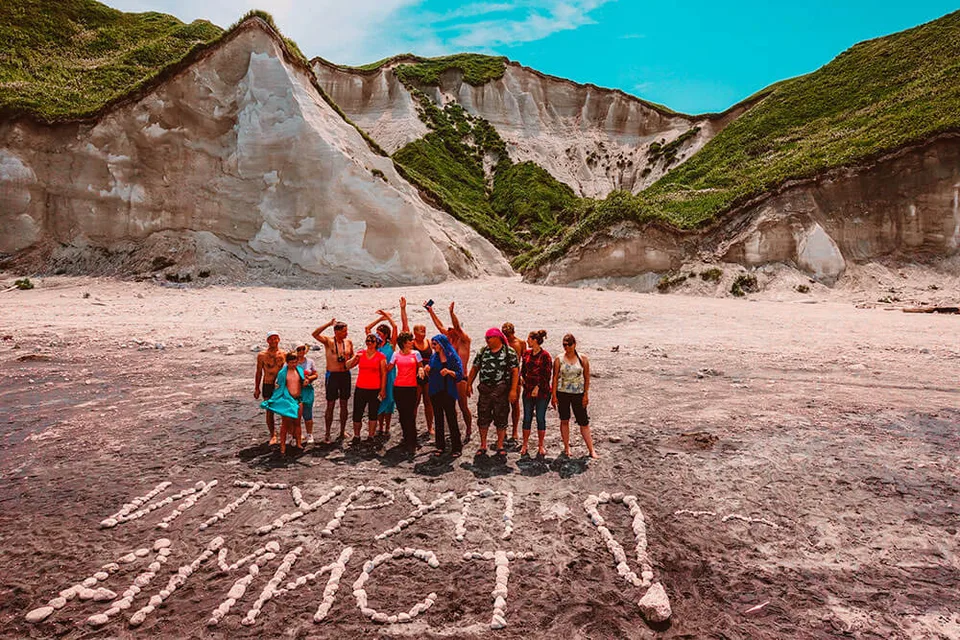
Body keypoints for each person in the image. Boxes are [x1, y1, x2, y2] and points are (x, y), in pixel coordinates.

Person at [466, 327, 519, 457]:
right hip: (485, 389)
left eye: (489, 338)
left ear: (497, 338)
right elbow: (475, 368)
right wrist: (469, 384)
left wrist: (513, 390)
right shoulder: (483, 351)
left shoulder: (509, 352)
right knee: (483, 417)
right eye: (486, 338)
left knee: (501, 417)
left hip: (501, 390)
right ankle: (483, 445)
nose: (487, 340)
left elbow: (515, 371)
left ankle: (500, 445)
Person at [425, 300, 473, 441]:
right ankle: (454, 430)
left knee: (463, 406)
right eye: (449, 330)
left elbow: (457, 327)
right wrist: (431, 311)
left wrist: (451, 313)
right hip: (447, 377)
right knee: (450, 406)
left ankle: (469, 428)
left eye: (452, 330)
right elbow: (439, 326)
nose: (449, 331)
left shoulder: (465, 341)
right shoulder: (448, 340)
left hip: (460, 377)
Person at [552, 333, 597, 459]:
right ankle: (566, 447)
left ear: (574, 344)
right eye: (564, 345)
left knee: (583, 421)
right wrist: (553, 395)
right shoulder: (559, 359)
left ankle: (591, 449)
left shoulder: (583, 359)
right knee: (564, 419)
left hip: (578, 393)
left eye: (569, 345)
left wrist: (586, 394)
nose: (567, 347)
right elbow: (555, 377)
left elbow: (587, 377)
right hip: (563, 393)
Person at [311, 319, 354, 443]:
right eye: (344, 331)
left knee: (344, 404)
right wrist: (328, 324)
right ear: (336, 332)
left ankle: (342, 431)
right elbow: (315, 334)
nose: (346, 333)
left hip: (345, 374)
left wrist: (350, 362)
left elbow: (352, 357)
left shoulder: (348, 342)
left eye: (346, 331)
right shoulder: (329, 341)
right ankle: (327, 433)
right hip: (332, 375)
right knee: (330, 404)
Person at [424, 334, 463, 457]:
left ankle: (456, 447)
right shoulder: (434, 357)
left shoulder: (452, 356)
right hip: (435, 390)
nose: (433, 346)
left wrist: (449, 372)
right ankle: (440, 446)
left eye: (435, 344)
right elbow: (431, 374)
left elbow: (460, 374)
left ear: (441, 344)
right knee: (438, 418)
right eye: (432, 344)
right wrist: (427, 370)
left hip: (448, 391)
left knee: (451, 418)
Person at [387, 331, 425, 453]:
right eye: (410, 340)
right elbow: (389, 368)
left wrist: (421, 370)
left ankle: (412, 440)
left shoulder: (416, 354)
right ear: (404, 342)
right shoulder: (395, 354)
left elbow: (420, 365)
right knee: (402, 414)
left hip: (411, 387)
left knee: (410, 413)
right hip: (398, 387)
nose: (412, 342)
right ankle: (406, 437)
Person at [401, 297, 434, 437]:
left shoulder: (429, 342)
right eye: (421, 331)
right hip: (414, 376)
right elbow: (405, 326)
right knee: (414, 403)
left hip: (428, 375)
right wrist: (403, 309)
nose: (423, 333)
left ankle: (430, 427)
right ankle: (411, 427)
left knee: (428, 402)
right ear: (415, 333)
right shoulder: (411, 343)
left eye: (424, 330)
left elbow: (435, 356)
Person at [346, 334, 387, 444]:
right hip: (361, 387)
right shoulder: (361, 354)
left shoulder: (381, 356)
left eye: (372, 341)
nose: (369, 343)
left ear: (376, 343)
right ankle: (356, 436)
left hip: (375, 388)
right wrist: (355, 357)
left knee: (373, 413)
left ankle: (371, 436)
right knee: (357, 413)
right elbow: (347, 366)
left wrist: (383, 389)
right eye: (367, 340)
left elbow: (384, 374)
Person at [260, 352, 303, 455]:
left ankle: (298, 443)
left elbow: (303, 382)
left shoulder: (299, 370)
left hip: (298, 399)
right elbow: (279, 388)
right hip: (287, 400)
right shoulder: (282, 373)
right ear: (287, 362)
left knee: (297, 423)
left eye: (295, 362)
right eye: (291, 362)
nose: (293, 364)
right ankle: (282, 446)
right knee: (285, 424)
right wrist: (273, 400)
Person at [520, 330, 552, 457]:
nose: (527, 341)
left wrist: (538, 387)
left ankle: (541, 445)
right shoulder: (526, 353)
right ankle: (525, 444)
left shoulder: (545, 356)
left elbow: (547, 375)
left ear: (535, 340)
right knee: (527, 417)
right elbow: (523, 369)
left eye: (529, 339)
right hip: (528, 389)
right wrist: (521, 378)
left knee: (540, 417)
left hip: (542, 391)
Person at [366, 310, 398, 436]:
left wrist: (387, 316)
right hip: (377, 375)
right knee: (378, 400)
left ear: (385, 334)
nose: (377, 335)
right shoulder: (375, 345)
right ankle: (380, 427)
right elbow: (367, 328)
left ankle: (387, 427)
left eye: (379, 333)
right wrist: (380, 319)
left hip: (390, 374)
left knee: (389, 400)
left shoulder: (391, 345)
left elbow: (395, 327)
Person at [254, 331, 285, 445]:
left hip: (281, 385)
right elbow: (258, 372)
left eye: (275, 338)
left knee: (284, 409)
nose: (273, 341)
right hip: (268, 384)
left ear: (279, 340)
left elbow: (290, 369)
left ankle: (287, 432)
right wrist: (257, 388)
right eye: (271, 339)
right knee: (269, 410)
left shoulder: (284, 354)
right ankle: (273, 435)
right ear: (267, 341)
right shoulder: (262, 355)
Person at [502, 322, 526, 442]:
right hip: (503, 375)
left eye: (509, 335)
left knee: (515, 403)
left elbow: (525, 361)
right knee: (503, 404)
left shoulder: (520, 343)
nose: (507, 337)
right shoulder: (502, 342)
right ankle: (504, 429)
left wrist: (522, 375)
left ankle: (515, 430)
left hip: (515, 375)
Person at [295, 344, 319, 444]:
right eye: (299, 349)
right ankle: (297, 434)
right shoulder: (291, 362)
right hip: (295, 390)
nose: (301, 351)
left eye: (303, 349)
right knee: (295, 414)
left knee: (308, 413)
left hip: (307, 390)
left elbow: (316, 374)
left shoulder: (310, 361)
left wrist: (309, 379)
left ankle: (309, 434)